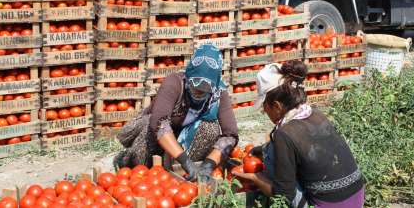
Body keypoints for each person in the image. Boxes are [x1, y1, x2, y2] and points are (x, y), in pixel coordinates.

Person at [233, 61, 365, 208]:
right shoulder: (316, 114)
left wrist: (255, 178)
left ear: (277, 106)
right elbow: (303, 143)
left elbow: (283, 195)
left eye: (265, 107)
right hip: (356, 198)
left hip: (328, 205)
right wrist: (262, 149)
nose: (265, 112)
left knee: (272, 160)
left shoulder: (284, 134)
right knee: (271, 151)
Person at [114, 44, 238, 182]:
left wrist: (209, 164)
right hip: (157, 132)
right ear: (189, 75)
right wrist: (185, 161)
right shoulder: (174, 83)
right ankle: (129, 162)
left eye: (204, 91)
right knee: (148, 129)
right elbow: (159, 123)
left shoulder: (219, 92)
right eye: (195, 86)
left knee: (210, 128)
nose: (198, 93)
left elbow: (230, 135)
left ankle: (175, 168)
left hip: (185, 136)